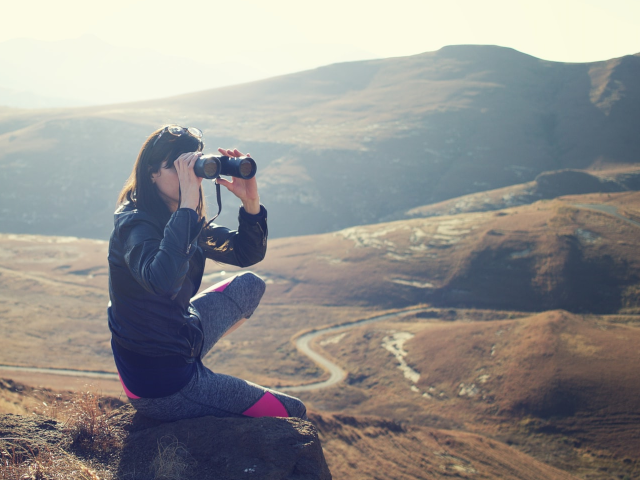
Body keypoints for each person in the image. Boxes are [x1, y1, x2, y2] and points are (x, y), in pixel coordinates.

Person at [107, 125, 307, 421]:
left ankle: (195, 366)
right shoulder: (135, 226)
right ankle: (196, 384)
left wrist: (250, 204)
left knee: (250, 285)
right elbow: (161, 282)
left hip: (178, 334)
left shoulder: (175, 214)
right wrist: (188, 204)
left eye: (194, 167)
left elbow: (244, 254)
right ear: (151, 173)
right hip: (160, 383)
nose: (191, 178)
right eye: (178, 168)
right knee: (293, 412)